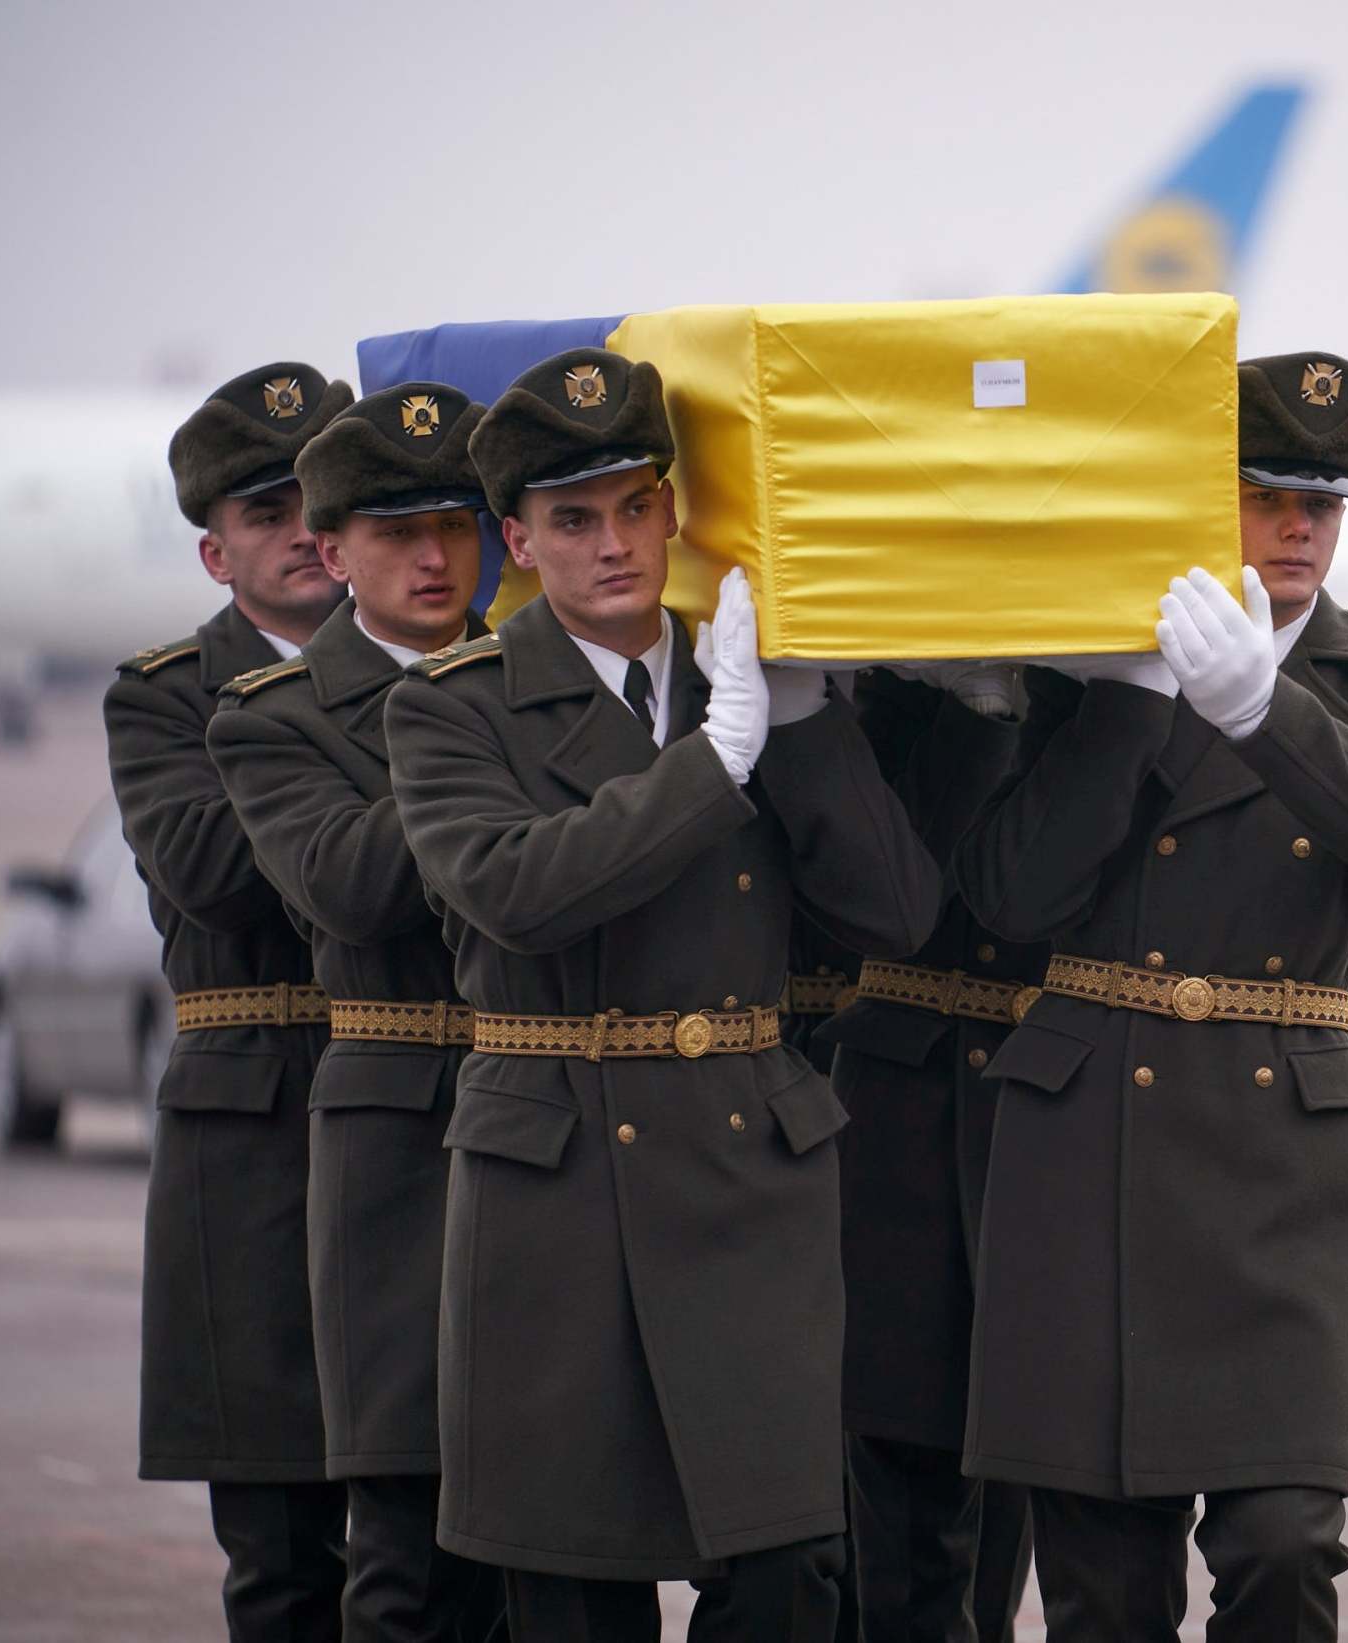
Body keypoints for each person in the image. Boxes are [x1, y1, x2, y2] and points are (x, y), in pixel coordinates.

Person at [383, 347, 942, 1641]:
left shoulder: (750, 684)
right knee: (573, 1579)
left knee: (788, 1563)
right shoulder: (453, 710)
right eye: (573, 518)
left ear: (676, 514)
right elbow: (518, 888)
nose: (614, 542)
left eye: (637, 505)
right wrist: (715, 758)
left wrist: (797, 726)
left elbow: (897, 914)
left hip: (749, 1164)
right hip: (560, 1177)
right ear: (515, 539)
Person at [953, 350, 1348, 1642]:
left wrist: (1260, 706)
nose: (1298, 526)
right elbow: (1010, 897)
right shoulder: (1078, 665)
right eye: (1265, 494)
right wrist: (1130, 700)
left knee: (1285, 1541)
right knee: (1103, 1583)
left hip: (1270, 1150)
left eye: (1323, 502)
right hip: (1088, 1136)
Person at [205, 382, 506, 1642]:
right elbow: (352, 885)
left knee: (549, 1532)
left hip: (560, 1127)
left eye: (453, 523)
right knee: (407, 1531)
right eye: (394, 532)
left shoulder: (562, 685)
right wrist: (504, 770)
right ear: (334, 554)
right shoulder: (269, 718)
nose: (434, 557)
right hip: (397, 1140)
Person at [108, 361, 353, 1641]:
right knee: (282, 1553)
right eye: (270, 512)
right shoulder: (163, 695)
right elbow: (208, 872)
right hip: (254, 1140)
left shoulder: (449, 674)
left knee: (453, 1546)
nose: (308, 530)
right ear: (217, 553)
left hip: (422, 1119)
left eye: (326, 499)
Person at [810, 663, 1038, 1643]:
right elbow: (893, 884)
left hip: (1037, 1104)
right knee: (896, 1474)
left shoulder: (1098, 692)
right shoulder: (885, 695)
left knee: (1017, 1465)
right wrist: (973, 703)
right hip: (898, 1105)